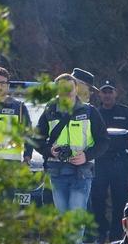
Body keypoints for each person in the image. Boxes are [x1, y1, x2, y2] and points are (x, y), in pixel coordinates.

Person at [39, 69, 108, 232]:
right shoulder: (50, 111)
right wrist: (50, 151)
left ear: (76, 89)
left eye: (70, 88)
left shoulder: (90, 111)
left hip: (82, 172)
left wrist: (86, 155)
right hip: (57, 172)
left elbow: (104, 141)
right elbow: (36, 138)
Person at [92, 79, 128, 244]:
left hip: (120, 163)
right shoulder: (94, 113)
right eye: (104, 91)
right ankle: (100, 233)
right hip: (100, 163)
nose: (107, 95)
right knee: (97, 199)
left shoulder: (126, 113)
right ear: (99, 94)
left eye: (110, 91)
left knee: (120, 200)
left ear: (116, 93)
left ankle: (116, 237)